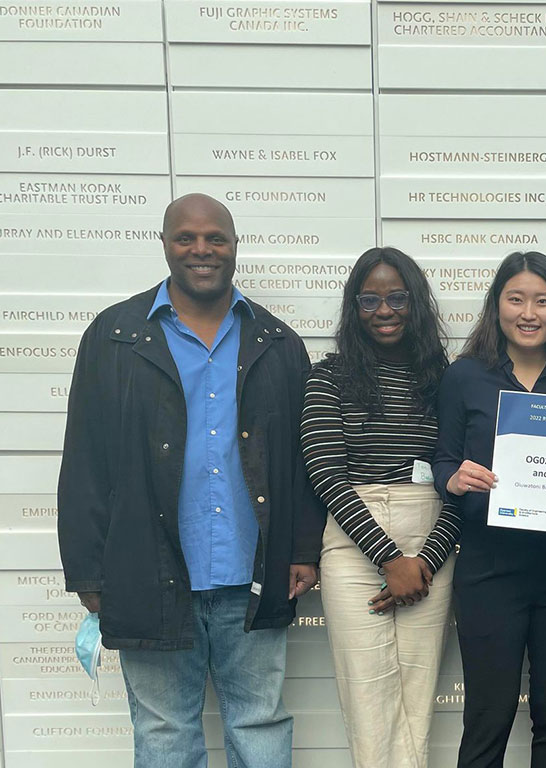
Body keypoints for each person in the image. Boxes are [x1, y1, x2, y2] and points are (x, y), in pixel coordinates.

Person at [57, 193, 325, 767]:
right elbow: (84, 460)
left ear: (234, 247)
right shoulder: (113, 338)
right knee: (163, 734)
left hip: (250, 577)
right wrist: (88, 570)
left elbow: (300, 462)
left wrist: (303, 550)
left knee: (259, 725)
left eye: (215, 238)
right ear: (165, 244)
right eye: (186, 237)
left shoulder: (277, 345)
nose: (201, 249)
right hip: (146, 574)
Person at [432, 251, 546, 768]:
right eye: (516, 298)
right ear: (496, 305)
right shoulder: (464, 376)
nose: (529, 312)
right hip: (488, 571)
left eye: (543, 300)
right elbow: (442, 460)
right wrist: (454, 479)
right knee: (487, 716)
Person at [300, 246, 458, 767]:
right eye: (369, 300)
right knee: (367, 693)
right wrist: (390, 559)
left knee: (417, 696)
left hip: (432, 540)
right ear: (353, 307)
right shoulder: (328, 377)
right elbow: (325, 473)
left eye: (396, 298)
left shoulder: (445, 379)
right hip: (353, 543)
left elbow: (462, 476)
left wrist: (426, 561)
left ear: (415, 302)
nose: (384, 310)